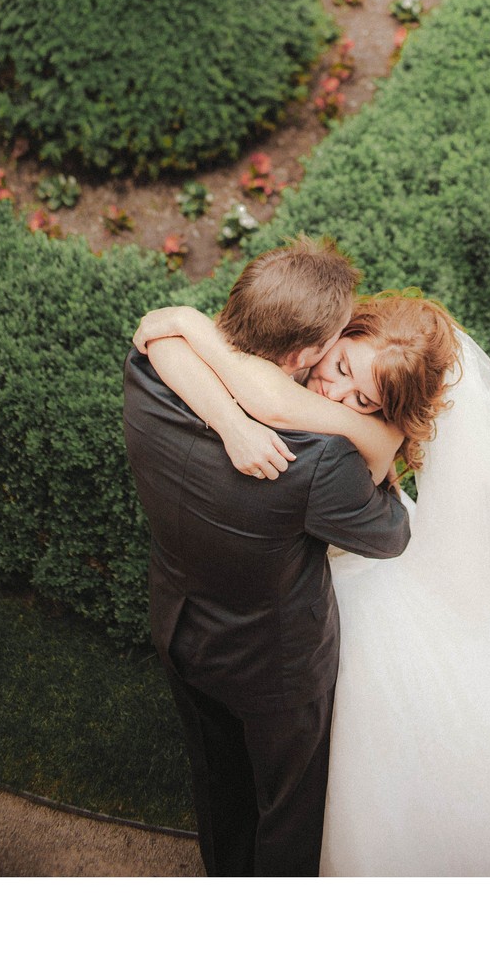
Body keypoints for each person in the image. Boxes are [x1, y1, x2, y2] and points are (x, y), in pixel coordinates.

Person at [133, 290, 490, 877]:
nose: (336, 396)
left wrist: (368, 442)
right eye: (339, 370)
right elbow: (259, 394)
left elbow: (388, 535)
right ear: (337, 334)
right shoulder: (308, 388)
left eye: (365, 402)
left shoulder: (337, 459)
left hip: (314, 614)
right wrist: (236, 419)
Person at [123, 237, 411, 878]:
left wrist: (225, 406)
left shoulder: (149, 370)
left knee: (217, 783)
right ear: (308, 354)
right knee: (289, 810)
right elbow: (389, 535)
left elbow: (163, 332)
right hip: (274, 669)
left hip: (179, 625)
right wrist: (376, 432)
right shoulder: (317, 463)